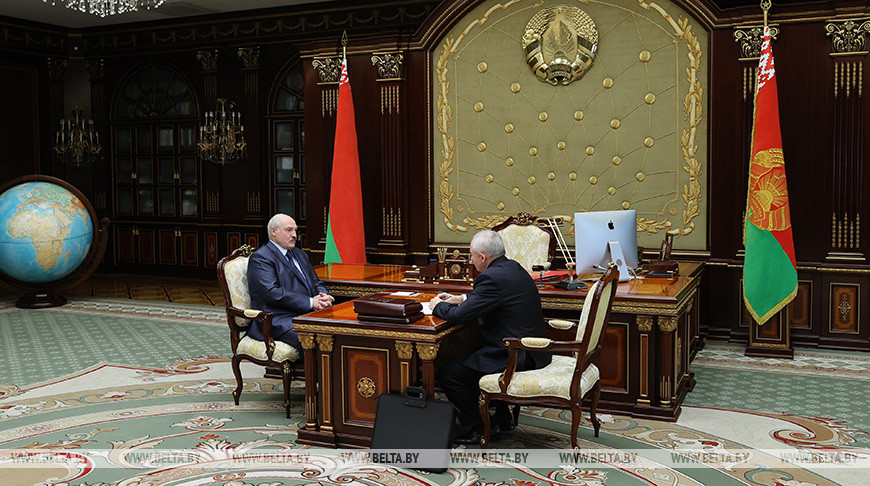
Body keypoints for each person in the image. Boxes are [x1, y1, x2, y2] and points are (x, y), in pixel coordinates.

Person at [429, 230, 551, 445]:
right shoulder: (512, 267)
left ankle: (483, 426)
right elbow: (493, 296)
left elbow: (459, 316)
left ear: (483, 257)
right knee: (473, 355)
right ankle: (503, 418)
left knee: (450, 374)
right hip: (533, 350)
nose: (471, 260)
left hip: (515, 354)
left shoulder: (491, 277)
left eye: (471, 255)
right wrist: (462, 298)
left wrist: (437, 305)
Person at [247, 213, 334, 349]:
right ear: (273, 232)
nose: (294, 235)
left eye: (295, 230)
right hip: (279, 320)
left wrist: (323, 297)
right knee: (316, 341)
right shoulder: (261, 258)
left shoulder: (300, 254)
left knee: (339, 335)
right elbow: (272, 293)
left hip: (306, 314)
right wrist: (311, 302)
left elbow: (316, 282)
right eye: (289, 230)